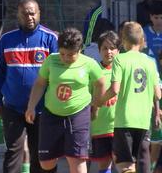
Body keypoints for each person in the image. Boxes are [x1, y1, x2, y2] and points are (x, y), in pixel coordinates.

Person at [25, 28, 105, 173]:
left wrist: (96, 105)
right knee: (46, 163)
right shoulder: (51, 60)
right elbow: (40, 84)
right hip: (51, 114)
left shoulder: (89, 63)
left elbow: (101, 83)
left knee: (76, 160)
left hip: (78, 115)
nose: (66, 58)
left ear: (80, 50)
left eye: (70, 55)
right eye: (62, 53)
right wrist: (31, 106)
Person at [0, 0, 58, 173]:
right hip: (13, 107)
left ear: (39, 14)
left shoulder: (50, 39)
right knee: (13, 151)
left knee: (41, 153)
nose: (29, 17)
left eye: (33, 13)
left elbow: (58, 75)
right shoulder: (6, 40)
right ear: (18, 15)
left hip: (43, 109)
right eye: (25, 13)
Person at [100, 21, 161, 173]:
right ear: (141, 40)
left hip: (124, 120)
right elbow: (158, 94)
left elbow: (114, 89)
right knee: (142, 160)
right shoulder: (150, 62)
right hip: (143, 121)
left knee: (124, 163)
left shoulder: (120, 59)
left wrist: (99, 100)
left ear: (123, 40)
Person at [89, 31, 121, 173]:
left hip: (120, 127)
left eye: (112, 48)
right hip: (100, 127)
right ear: (99, 50)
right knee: (104, 165)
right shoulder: (94, 72)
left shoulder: (123, 71)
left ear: (118, 50)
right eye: (105, 48)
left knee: (123, 164)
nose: (109, 52)